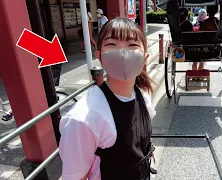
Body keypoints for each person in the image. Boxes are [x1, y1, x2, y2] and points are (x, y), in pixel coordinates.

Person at [59, 17, 157, 180]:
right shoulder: (83, 119)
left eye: (132, 45)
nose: (123, 53)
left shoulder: (143, 95)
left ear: (144, 58)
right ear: (100, 56)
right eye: (112, 45)